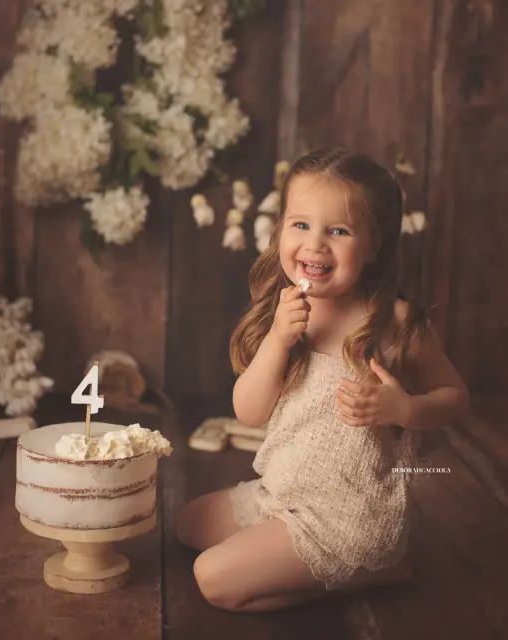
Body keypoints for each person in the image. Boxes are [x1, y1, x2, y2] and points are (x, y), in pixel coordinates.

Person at [176, 147, 469, 613]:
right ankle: (320, 561)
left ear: (373, 245)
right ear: (280, 229)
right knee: (187, 524)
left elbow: (455, 397)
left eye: (339, 231)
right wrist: (277, 339)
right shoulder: (285, 312)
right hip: (283, 493)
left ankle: (372, 566)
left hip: (348, 515)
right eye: (300, 225)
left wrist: (406, 409)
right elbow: (248, 412)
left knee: (212, 578)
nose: (315, 245)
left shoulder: (396, 323)